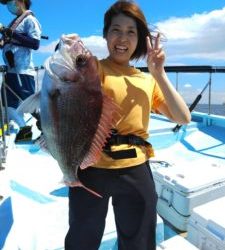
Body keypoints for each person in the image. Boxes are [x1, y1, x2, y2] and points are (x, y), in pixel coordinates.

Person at [65, 1, 191, 250]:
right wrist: (69, 49)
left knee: (140, 242)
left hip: (136, 169)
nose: (122, 38)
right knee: (82, 238)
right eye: (116, 29)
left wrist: (159, 73)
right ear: (105, 34)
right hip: (91, 167)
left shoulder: (147, 80)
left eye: (131, 32)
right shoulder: (93, 68)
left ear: (140, 38)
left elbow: (182, 117)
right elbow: (68, 75)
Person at [0, 0, 41, 142]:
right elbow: (8, 41)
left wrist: (9, 32)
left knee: (29, 105)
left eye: (10, 2)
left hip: (23, 72)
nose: (9, 6)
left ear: (20, 1)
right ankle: (24, 130)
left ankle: (47, 131)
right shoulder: (14, 21)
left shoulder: (30, 20)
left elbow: (35, 43)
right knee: (7, 104)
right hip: (10, 71)